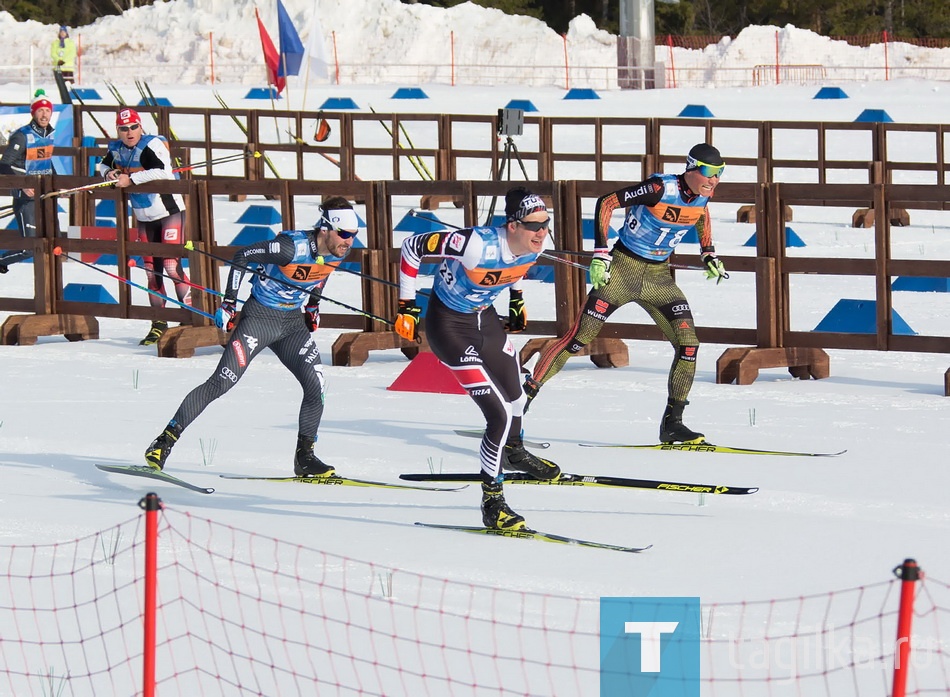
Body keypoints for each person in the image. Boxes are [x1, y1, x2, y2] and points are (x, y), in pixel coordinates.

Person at [525, 143, 728, 444]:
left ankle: (673, 424)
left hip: (658, 278)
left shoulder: (703, 195)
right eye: (709, 172)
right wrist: (600, 252)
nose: (714, 180)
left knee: (689, 345)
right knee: (577, 339)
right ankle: (518, 404)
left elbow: (701, 215)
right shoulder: (659, 187)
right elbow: (607, 202)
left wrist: (708, 252)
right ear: (691, 168)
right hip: (621, 270)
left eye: (720, 173)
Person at [143, 197, 358, 475]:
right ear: (326, 228)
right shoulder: (289, 247)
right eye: (343, 234)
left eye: (353, 236)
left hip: (292, 325)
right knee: (221, 383)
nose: (348, 241)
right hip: (259, 319)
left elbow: (321, 274)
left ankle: (304, 458)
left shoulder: (339, 250)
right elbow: (243, 256)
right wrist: (229, 303)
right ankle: (164, 442)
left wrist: (313, 306)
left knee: (316, 388)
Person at [394, 187, 560, 531]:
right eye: (534, 225)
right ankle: (492, 501)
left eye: (545, 223)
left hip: (485, 319)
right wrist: (406, 305)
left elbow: (515, 268)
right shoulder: (474, 244)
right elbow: (412, 248)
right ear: (512, 225)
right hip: (449, 327)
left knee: (516, 396)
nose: (542, 232)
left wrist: (517, 299)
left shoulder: (536, 244)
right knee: (497, 413)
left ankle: (514, 450)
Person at [97, 108, 190, 345]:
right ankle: (158, 322)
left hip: (168, 211)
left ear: (141, 126)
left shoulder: (153, 144)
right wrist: (110, 173)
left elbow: (164, 172)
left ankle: (190, 315)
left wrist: (131, 179)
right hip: (143, 215)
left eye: (133, 127)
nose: (129, 133)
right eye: (124, 129)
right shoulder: (116, 148)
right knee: (151, 270)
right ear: (118, 130)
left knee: (171, 266)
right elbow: (102, 166)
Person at [0, 90, 55, 274]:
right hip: (26, 200)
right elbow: (4, 165)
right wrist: (21, 185)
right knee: (29, 248)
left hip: (45, 198)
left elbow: (46, 163)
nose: (44, 114)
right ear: (33, 112)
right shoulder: (22, 136)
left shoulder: (48, 135)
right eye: (40, 110)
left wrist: (58, 184)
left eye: (48, 110)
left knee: (52, 242)